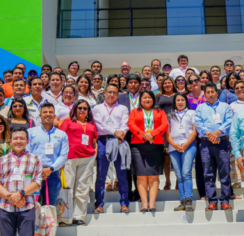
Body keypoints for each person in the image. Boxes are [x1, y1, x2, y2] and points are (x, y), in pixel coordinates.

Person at [28, 102, 68, 236]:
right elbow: (27, 151)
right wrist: (38, 169)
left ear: (54, 115)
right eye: (45, 112)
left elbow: (63, 156)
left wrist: (50, 169)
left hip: (52, 175)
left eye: (51, 112)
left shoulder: (61, 134)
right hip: (33, 175)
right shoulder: (31, 132)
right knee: (30, 209)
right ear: (39, 115)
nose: (48, 115)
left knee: (49, 210)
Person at [92, 84, 131, 213]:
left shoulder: (123, 108)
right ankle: (99, 204)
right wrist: (115, 131)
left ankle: (124, 203)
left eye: (114, 92)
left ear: (117, 95)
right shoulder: (97, 108)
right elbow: (99, 125)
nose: (111, 95)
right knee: (101, 175)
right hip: (104, 140)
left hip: (119, 140)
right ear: (104, 93)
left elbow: (125, 124)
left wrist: (120, 135)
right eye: (109, 92)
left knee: (122, 175)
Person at [127, 90, 169, 212]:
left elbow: (164, 125)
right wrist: (144, 135)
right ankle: (144, 204)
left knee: (153, 175)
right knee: (141, 175)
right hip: (138, 145)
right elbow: (131, 125)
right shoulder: (135, 112)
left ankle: (152, 204)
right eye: (144, 98)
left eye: (149, 97)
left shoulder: (160, 111)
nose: (147, 100)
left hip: (155, 145)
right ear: (140, 100)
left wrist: (152, 134)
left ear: (153, 99)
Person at [195, 82, 234, 211]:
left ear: (217, 93)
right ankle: (212, 200)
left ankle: (225, 200)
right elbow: (198, 123)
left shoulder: (225, 106)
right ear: (204, 94)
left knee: (224, 172)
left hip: (222, 142)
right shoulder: (200, 108)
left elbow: (229, 121)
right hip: (206, 143)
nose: (210, 94)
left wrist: (217, 133)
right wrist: (210, 134)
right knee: (208, 173)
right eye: (208, 92)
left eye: (213, 92)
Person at [60, 100, 98, 226]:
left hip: (87, 159)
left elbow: (94, 141)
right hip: (70, 158)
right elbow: (60, 139)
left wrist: (94, 154)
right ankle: (65, 216)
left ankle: (78, 216)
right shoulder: (67, 121)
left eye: (85, 108)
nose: (82, 110)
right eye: (80, 108)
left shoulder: (91, 124)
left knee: (82, 187)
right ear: (75, 109)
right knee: (68, 187)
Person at [167, 93, 198, 211]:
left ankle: (189, 199)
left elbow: (195, 131)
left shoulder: (192, 113)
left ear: (186, 101)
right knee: (179, 175)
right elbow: (167, 133)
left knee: (186, 172)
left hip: (188, 145)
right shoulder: (171, 115)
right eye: (178, 100)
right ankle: (183, 200)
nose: (180, 102)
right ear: (174, 102)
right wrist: (175, 144)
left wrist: (186, 144)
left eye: (182, 100)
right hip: (174, 147)